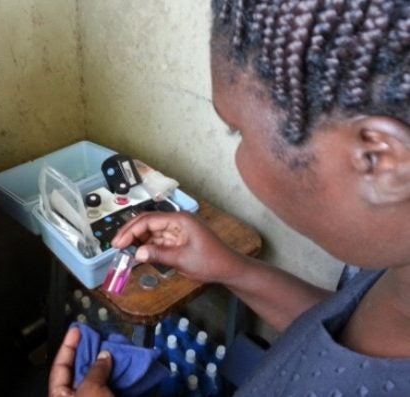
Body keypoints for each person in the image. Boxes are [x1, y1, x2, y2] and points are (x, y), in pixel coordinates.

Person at [49, 0, 410, 395]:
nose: (239, 152)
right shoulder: (393, 262)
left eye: (237, 132)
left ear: (380, 159)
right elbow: (332, 337)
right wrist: (232, 269)